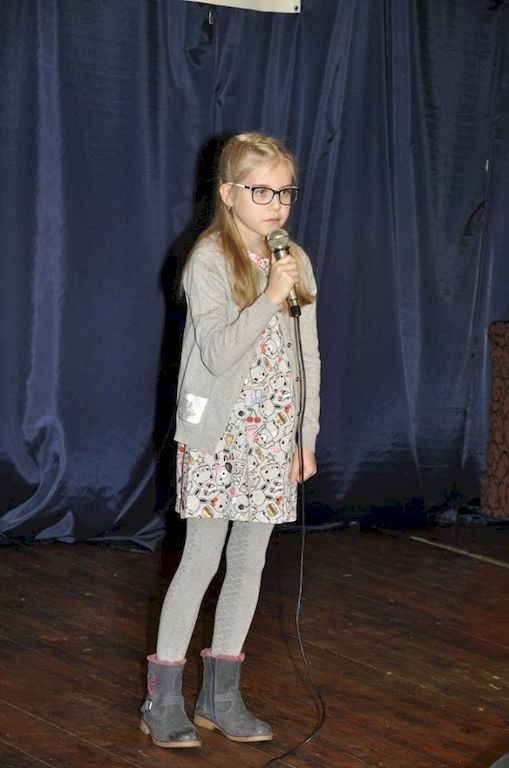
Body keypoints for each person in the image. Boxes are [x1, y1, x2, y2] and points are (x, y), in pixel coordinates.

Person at [140, 132, 321, 749]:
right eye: (260, 191)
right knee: (201, 559)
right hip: (218, 437)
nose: (276, 204)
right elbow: (216, 354)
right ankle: (162, 699)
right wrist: (270, 296)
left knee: (250, 562)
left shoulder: (294, 258)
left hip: (273, 439)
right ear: (227, 193)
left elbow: (308, 358)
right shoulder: (209, 260)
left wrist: (304, 435)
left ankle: (221, 697)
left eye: (285, 192)